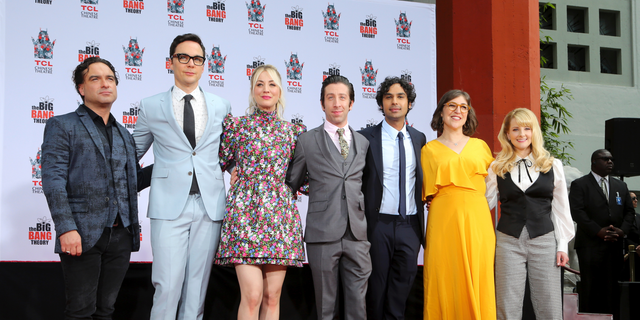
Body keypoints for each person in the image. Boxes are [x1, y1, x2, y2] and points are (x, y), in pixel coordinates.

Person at [41, 57, 152, 319]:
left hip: (121, 236)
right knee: (80, 311)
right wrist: (66, 228)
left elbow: (132, 180)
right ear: (81, 88)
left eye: (110, 79)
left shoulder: (124, 133)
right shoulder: (62, 125)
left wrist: (169, 165)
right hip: (81, 233)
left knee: (106, 311)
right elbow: (53, 180)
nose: (105, 84)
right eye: (96, 78)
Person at [132, 33, 231, 320]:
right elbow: (131, 154)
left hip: (209, 205)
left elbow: (228, 154)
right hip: (168, 205)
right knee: (167, 284)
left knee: (197, 288)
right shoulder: (151, 106)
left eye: (197, 59)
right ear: (171, 62)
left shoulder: (221, 106)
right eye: (183, 57)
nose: (190, 63)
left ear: (204, 65)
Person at [214, 65, 306, 320]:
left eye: (272, 84)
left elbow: (302, 178)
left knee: (272, 297)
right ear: (252, 91)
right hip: (244, 217)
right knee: (252, 295)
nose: (266, 89)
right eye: (260, 84)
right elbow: (219, 160)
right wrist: (232, 168)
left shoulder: (294, 132)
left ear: (280, 91)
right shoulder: (237, 126)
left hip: (280, 218)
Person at [286, 75, 372, 320]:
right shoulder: (306, 141)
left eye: (342, 97)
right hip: (322, 233)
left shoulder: (364, 143)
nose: (336, 103)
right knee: (325, 307)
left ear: (351, 103)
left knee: (358, 307)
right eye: (330, 98)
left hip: (357, 235)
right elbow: (291, 183)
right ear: (322, 104)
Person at [485, 108, 574, 320]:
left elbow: (562, 210)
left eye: (527, 128)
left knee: (549, 302)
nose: (521, 134)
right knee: (507, 302)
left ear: (534, 132)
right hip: (508, 239)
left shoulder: (553, 165)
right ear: (507, 134)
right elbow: (482, 203)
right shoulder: (496, 167)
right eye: (515, 129)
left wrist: (562, 246)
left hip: (544, 239)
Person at [421, 89, 496, 319]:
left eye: (464, 107)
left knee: (478, 276)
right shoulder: (428, 150)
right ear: (441, 111)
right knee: (443, 275)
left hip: (477, 219)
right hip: (443, 219)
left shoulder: (481, 147)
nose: (458, 111)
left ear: (468, 113)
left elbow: (493, 187)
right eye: (452, 105)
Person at [359, 76, 426, 319]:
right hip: (377, 225)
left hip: (410, 226)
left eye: (400, 97)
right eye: (388, 97)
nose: (394, 102)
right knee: (375, 292)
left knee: (401, 292)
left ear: (409, 103)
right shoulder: (365, 138)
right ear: (381, 103)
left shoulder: (419, 138)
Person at [570, 149, 636, 319]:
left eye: (611, 159)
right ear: (593, 162)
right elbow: (577, 212)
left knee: (612, 288)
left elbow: (629, 211)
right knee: (591, 287)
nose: (610, 162)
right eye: (605, 159)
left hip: (614, 245)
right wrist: (597, 231)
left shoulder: (620, 186)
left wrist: (622, 231)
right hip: (590, 245)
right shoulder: (580, 184)